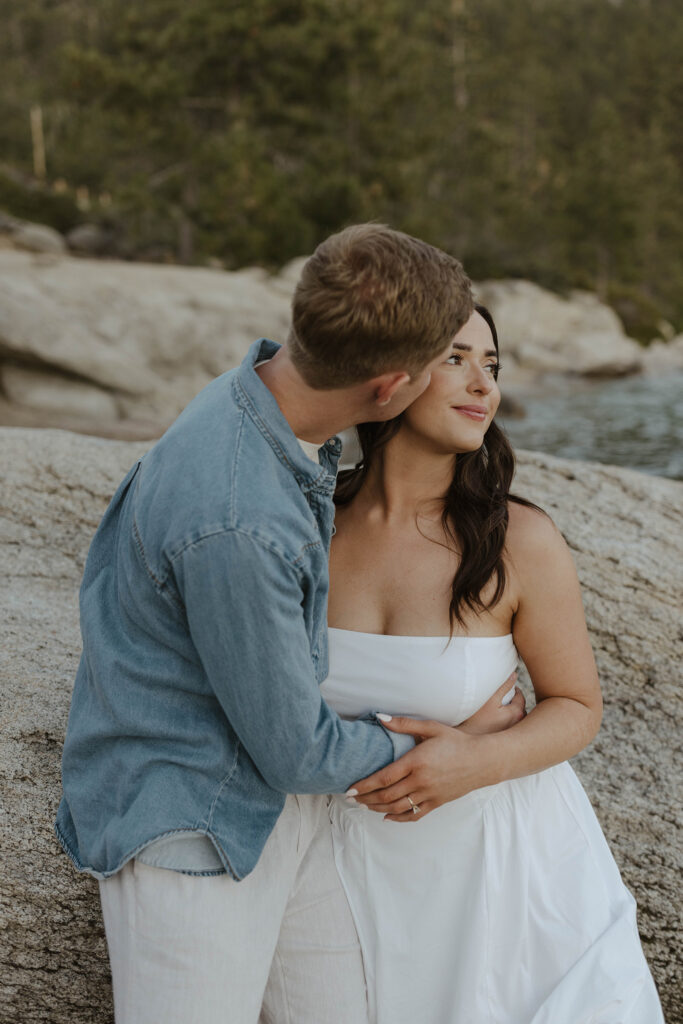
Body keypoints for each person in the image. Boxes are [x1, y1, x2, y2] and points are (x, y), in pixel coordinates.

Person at [55, 223, 508, 1023]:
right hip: (197, 825)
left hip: (284, 811)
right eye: (442, 361)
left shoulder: (265, 399)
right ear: (389, 389)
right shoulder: (238, 520)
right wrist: (448, 742)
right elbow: (296, 746)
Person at [321, 305, 664, 1022]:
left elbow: (575, 706)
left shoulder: (517, 539)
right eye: (455, 358)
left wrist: (474, 761)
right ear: (389, 374)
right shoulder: (309, 525)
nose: (482, 384)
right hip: (342, 872)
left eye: (493, 365)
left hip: (509, 880)